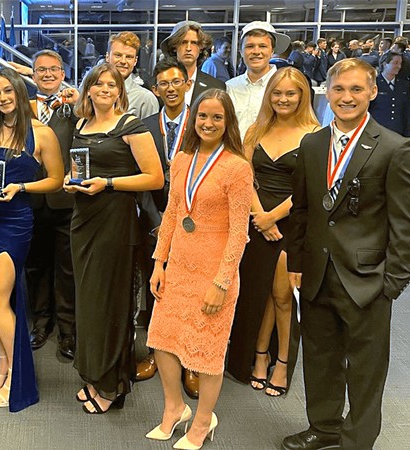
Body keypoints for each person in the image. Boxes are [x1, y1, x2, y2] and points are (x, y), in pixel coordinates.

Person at [282, 58, 410, 450]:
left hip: (369, 278)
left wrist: (393, 280)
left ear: (372, 92)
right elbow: (302, 209)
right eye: (339, 89)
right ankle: (324, 426)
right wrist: (296, 262)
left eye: (356, 89)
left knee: (365, 368)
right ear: (327, 93)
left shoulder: (396, 149)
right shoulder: (312, 144)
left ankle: (357, 440)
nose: (347, 97)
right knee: (320, 357)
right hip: (316, 271)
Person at [145, 89, 253, 449]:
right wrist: (158, 263)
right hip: (178, 266)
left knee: (207, 353)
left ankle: (204, 419)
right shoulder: (181, 160)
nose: (208, 123)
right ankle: (174, 407)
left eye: (217, 118)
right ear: (194, 119)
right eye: (203, 116)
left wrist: (221, 282)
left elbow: (240, 232)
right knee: (161, 339)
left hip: (214, 270)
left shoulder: (237, 167)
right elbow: (173, 215)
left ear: (227, 123)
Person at [65, 63, 163, 414]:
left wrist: (108, 182)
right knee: (88, 302)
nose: (105, 89)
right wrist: (70, 179)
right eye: (99, 83)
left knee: (110, 302)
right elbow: (80, 168)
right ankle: (93, 375)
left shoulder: (131, 126)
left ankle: (112, 385)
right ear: (88, 89)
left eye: (112, 84)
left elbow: (154, 178)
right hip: (84, 220)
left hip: (115, 222)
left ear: (120, 91)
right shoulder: (80, 125)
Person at [0, 67, 64, 412]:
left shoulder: (42, 133)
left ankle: (9, 368)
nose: (3, 98)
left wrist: (20, 187)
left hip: (15, 224)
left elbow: (56, 180)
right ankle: (4, 360)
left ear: (21, 93)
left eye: (9, 91)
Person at [226, 68, 320, 398]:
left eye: (290, 93)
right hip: (255, 221)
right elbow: (244, 174)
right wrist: (259, 216)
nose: (283, 99)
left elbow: (312, 188)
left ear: (302, 96)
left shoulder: (314, 133)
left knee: (281, 295)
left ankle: (281, 362)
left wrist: (273, 217)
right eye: (277, 93)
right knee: (255, 293)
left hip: (290, 222)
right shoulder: (256, 128)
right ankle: (256, 355)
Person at [135, 58, 192, 385]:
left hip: (193, 223)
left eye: (176, 82)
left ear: (186, 84)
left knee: (188, 290)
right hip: (153, 219)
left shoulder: (203, 123)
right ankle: (156, 354)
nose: (170, 89)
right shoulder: (143, 125)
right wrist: (157, 221)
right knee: (155, 287)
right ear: (155, 90)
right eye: (163, 84)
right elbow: (141, 176)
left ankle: (189, 360)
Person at [21, 50, 80, 358]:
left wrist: (79, 102)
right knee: (35, 266)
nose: (47, 74)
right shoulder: (23, 107)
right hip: (29, 199)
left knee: (67, 268)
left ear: (62, 73)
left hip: (64, 200)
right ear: (33, 75)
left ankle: (68, 330)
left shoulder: (75, 105)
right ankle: (41, 323)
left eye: (53, 69)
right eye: (40, 70)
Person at [227, 21, 291, 138]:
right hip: (235, 154)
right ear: (241, 52)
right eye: (250, 46)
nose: (256, 52)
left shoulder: (286, 85)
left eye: (262, 46)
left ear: (272, 51)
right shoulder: (230, 87)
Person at [159, 21, 225, 109]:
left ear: (201, 47)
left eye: (194, 43)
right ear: (174, 46)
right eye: (183, 42)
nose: (188, 48)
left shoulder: (216, 87)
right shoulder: (157, 85)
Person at [104, 31, 159, 119]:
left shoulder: (145, 99)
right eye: (118, 55)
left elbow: (151, 132)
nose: (123, 61)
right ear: (107, 57)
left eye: (129, 57)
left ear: (135, 61)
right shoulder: (95, 92)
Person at [370, 52, 410, 137]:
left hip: (397, 131)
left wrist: (407, 134)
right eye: (395, 63)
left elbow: (407, 111)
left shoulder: (403, 85)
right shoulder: (374, 83)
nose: (399, 66)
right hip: (377, 130)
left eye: (400, 63)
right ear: (385, 64)